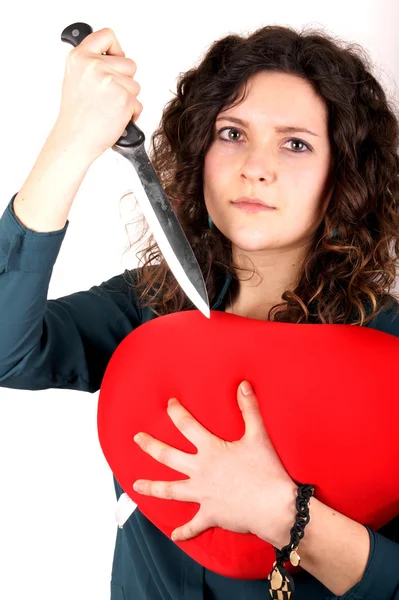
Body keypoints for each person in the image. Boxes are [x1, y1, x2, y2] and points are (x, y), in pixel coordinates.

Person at [0, 23, 398, 600]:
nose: (255, 167)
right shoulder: (147, 306)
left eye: (296, 143)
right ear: (199, 155)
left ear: (344, 176)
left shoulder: (387, 351)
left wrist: (282, 513)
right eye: (232, 133)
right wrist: (72, 141)